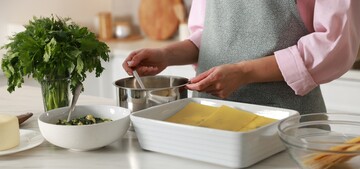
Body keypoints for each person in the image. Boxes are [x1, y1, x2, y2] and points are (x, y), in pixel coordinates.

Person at [123, 0, 360, 115]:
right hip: (211, 120)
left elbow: (333, 45)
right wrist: (166, 55)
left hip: (287, 124)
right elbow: (213, 34)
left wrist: (244, 72)